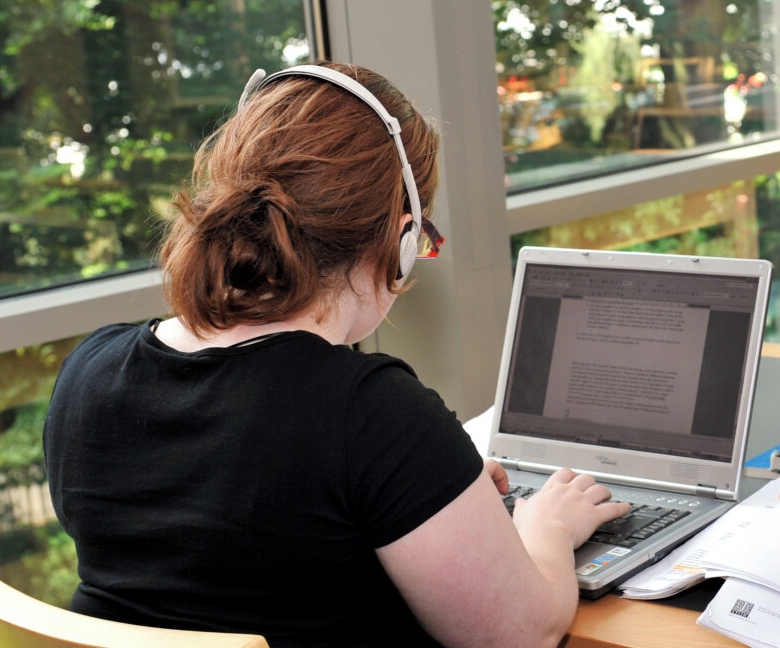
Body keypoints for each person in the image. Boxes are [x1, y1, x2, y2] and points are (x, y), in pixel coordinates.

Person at [44, 61, 629, 648]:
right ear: (401, 242)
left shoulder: (89, 370)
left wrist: (428, 485)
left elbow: (222, 541)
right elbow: (518, 636)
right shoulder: (370, 415)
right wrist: (544, 530)